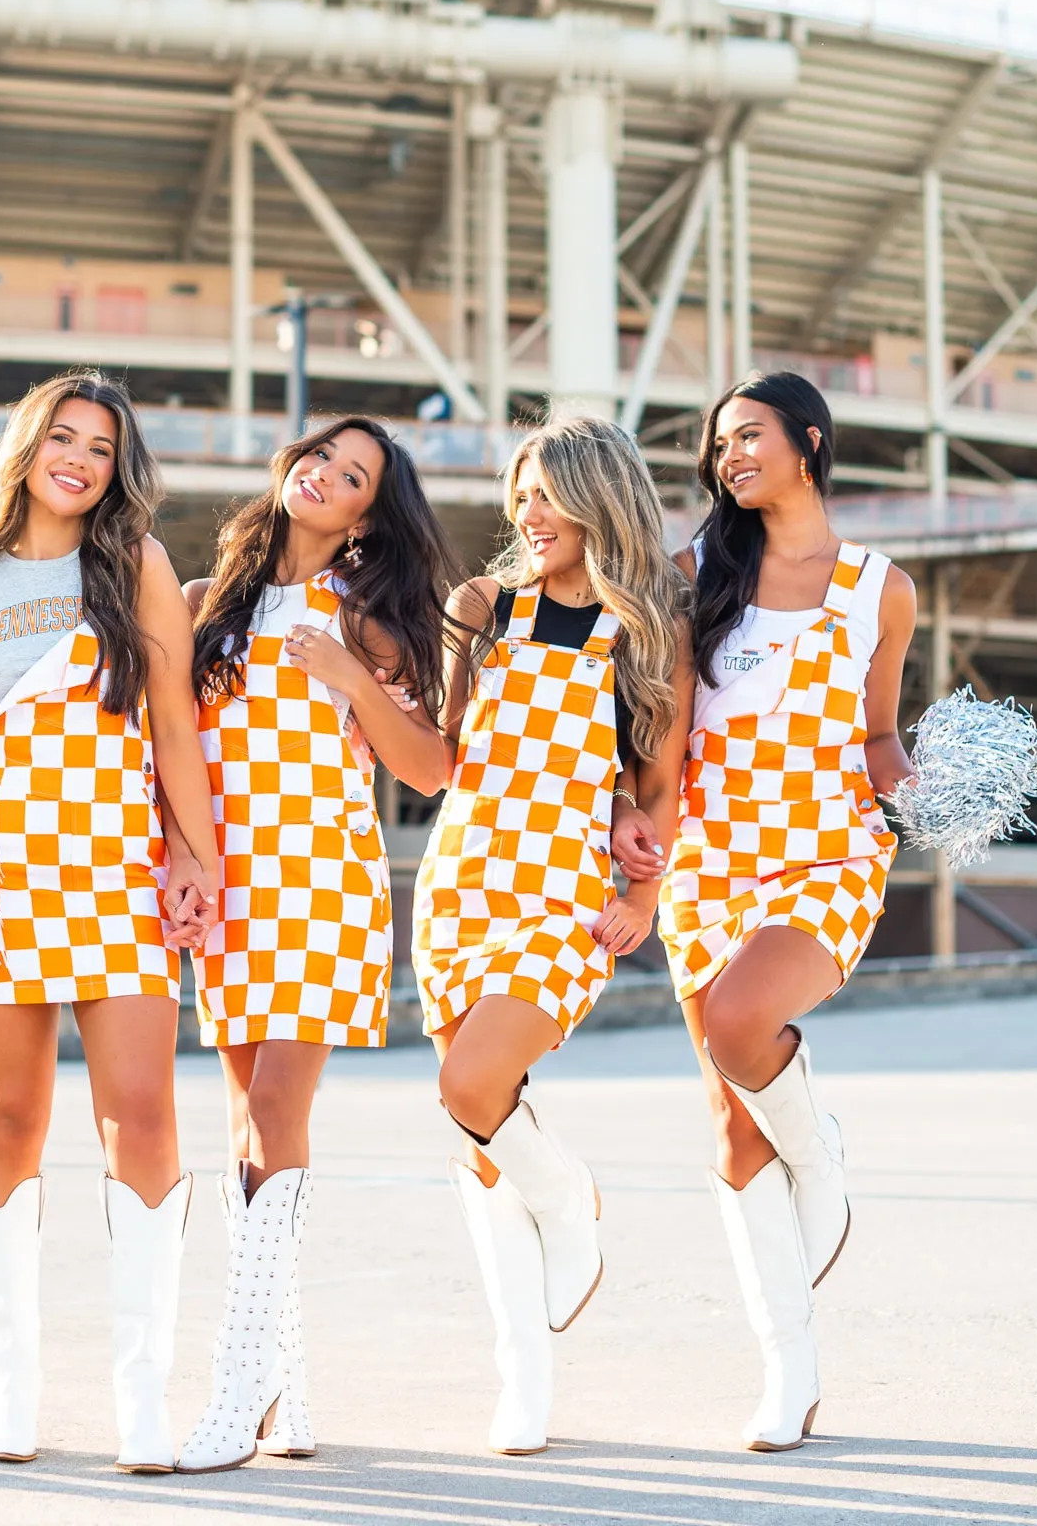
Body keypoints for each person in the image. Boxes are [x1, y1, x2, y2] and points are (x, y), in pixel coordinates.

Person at [0, 372, 218, 1476]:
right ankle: (12, 1379)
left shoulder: (134, 564)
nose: (80, 457)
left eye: (101, 444)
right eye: (63, 436)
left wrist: (196, 853)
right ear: (27, 446)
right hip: (9, 879)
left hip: (120, 876)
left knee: (142, 1113)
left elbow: (174, 723)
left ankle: (143, 1390)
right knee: (7, 1120)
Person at [173, 418, 457, 1474]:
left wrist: (345, 669)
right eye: (320, 457)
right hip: (229, 889)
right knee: (248, 1122)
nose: (324, 476)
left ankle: (236, 1384)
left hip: (321, 884)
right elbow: (174, 753)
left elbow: (429, 767)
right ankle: (288, 1381)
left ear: (367, 515)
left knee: (276, 1113)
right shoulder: (207, 605)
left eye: (352, 476)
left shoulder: (372, 619)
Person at [647, 371, 916, 1451]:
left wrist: (927, 784)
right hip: (706, 863)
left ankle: (822, 1155)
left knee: (738, 1022)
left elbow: (880, 735)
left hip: (827, 854)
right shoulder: (693, 571)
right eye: (720, 444)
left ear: (810, 439)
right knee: (727, 1121)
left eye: (748, 435)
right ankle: (789, 1371)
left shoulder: (878, 587)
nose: (730, 456)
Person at [413, 413, 690, 1455]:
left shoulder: (650, 627)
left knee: (471, 1087)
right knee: (481, 1147)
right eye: (519, 494)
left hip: (560, 898)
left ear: (599, 497)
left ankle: (569, 1193)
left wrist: (643, 895)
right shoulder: (480, 606)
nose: (528, 514)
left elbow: (657, 784)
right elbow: (445, 748)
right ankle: (522, 1373)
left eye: (548, 493)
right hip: (458, 885)